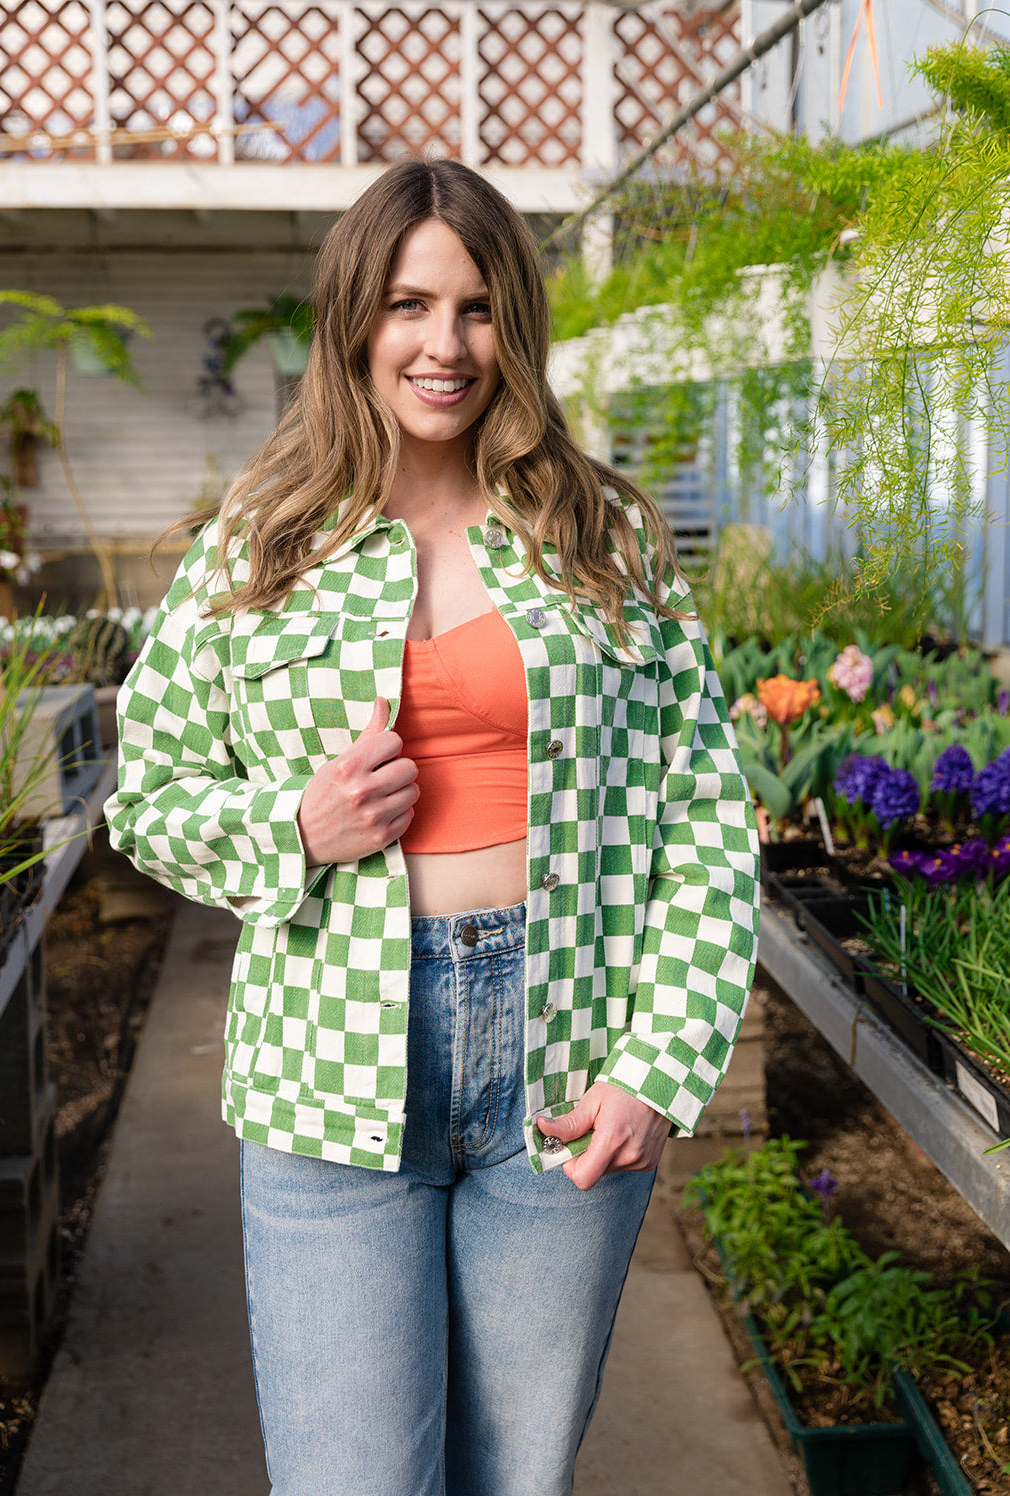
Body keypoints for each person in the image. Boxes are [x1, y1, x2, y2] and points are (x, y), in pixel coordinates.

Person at [105, 157, 760, 1496]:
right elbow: (151, 798)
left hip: (564, 1049)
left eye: (476, 308)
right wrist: (295, 825)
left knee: (513, 1479)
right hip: (331, 1065)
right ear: (357, 320)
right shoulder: (260, 547)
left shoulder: (603, 539)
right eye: (409, 305)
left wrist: (660, 1064)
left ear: (514, 325)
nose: (443, 345)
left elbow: (704, 811)